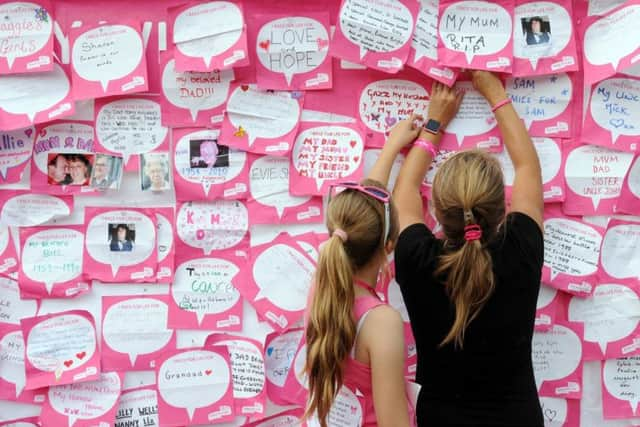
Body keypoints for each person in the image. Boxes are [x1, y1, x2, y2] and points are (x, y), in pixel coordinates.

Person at [392, 72, 544, 426]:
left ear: (437, 212)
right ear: (501, 207)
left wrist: (434, 124)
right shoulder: (520, 249)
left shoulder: (417, 258)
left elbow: (404, 191)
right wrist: (495, 94)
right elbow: (527, 166)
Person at [304, 118, 423, 427]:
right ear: (390, 245)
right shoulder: (380, 321)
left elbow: (361, 217)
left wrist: (390, 148)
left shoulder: (323, 284)